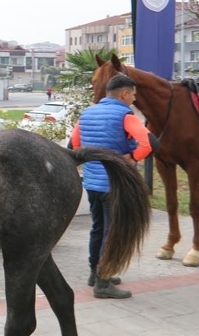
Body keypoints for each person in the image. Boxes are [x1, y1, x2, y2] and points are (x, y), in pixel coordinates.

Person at [70, 74, 156, 299]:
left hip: (92, 183)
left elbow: (75, 145)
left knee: (97, 227)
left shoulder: (87, 113)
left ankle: (94, 273)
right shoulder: (125, 115)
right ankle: (103, 282)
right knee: (111, 231)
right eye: (133, 95)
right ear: (124, 94)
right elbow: (149, 142)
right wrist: (131, 157)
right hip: (115, 186)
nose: (134, 100)